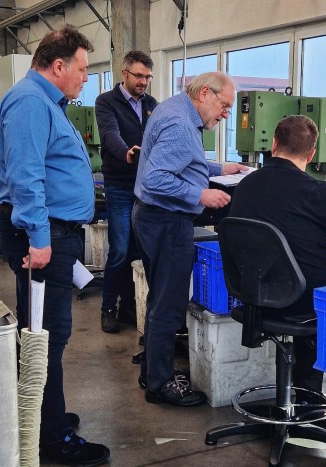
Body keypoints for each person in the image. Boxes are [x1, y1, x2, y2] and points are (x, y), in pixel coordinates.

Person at [0, 25, 110, 465]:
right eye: (82, 69)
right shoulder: (29, 102)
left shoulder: (46, 103)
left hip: (56, 232)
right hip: (43, 236)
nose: (85, 78)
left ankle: (47, 413)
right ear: (58, 66)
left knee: (47, 333)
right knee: (46, 336)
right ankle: (52, 437)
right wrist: (40, 240)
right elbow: (26, 178)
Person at [229, 115, 326, 400]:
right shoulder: (315, 191)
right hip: (304, 304)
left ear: (273, 144)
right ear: (311, 155)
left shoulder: (245, 186)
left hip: (252, 296)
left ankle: (296, 401)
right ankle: (308, 403)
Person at [132, 71, 247, 406]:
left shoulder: (175, 108)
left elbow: (181, 160)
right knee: (169, 304)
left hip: (152, 217)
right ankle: (161, 385)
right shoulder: (182, 125)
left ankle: (153, 371)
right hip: (166, 221)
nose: (226, 114)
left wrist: (218, 169)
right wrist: (201, 194)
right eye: (224, 106)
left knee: (159, 298)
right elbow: (155, 178)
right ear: (205, 93)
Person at [95, 50, 158, 333]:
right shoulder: (106, 101)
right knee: (119, 250)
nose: (143, 82)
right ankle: (108, 307)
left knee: (136, 251)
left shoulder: (152, 104)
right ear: (124, 73)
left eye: (147, 77)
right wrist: (126, 153)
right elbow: (110, 135)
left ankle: (129, 307)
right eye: (138, 76)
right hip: (120, 185)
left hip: (145, 187)